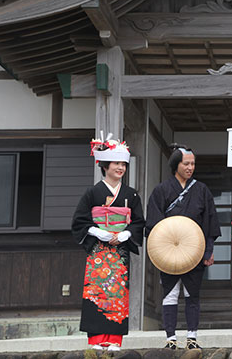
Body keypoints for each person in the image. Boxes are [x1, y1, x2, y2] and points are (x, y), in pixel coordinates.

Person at [71, 135, 145, 351]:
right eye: (116, 163)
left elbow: (139, 221)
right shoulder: (92, 192)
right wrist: (97, 232)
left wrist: (126, 235)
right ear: (104, 166)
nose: (120, 168)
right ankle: (96, 340)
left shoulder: (131, 195)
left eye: (123, 164)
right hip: (98, 251)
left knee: (118, 293)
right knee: (97, 292)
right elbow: (79, 221)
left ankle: (114, 340)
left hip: (119, 252)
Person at [146, 144, 221, 350]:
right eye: (186, 163)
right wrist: (160, 248)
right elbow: (153, 223)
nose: (190, 167)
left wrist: (209, 250)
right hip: (168, 250)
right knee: (170, 294)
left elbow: (210, 221)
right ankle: (170, 338)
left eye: (193, 164)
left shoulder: (202, 190)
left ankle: (192, 337)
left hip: (194, 250)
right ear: (175, 164)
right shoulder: (161, 190)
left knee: (192, 294)